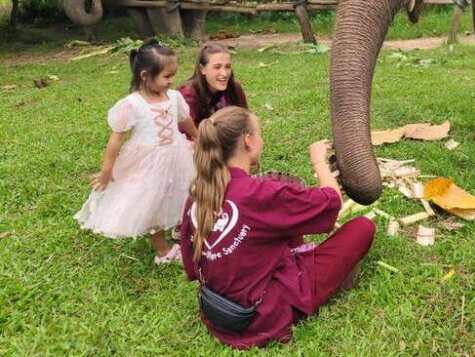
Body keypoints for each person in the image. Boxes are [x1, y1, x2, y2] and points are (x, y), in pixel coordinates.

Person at [179, 106, 375, 348]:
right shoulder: (259, 194)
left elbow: (191, 266)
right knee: (362, 227)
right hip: (264, 316)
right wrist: (318, 160)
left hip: (219, 312)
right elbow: (332, 202)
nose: (261, 139)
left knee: (276, 224)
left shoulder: (198, 193)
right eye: (259, 134)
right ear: (248, 141)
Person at [74, 40, 198, 264]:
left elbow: (185, 119)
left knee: (183, 191)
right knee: (151, 203)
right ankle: (163, 251)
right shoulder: (132, 104)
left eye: (173, 75)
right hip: (147, 163)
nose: (172, 81)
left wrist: (197, 138)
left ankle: (183, 229)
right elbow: (116, 139)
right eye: (167, 76)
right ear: (145, 76)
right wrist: (106, 170)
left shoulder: (174, 97)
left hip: (176, 155)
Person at [178, 43, 247, 136]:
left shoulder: (234, 87)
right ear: (203, 69)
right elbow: (185, 137)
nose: (224, 73)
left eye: (227, 67)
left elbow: (246, 120)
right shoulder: (188, 94)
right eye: (217, 67)